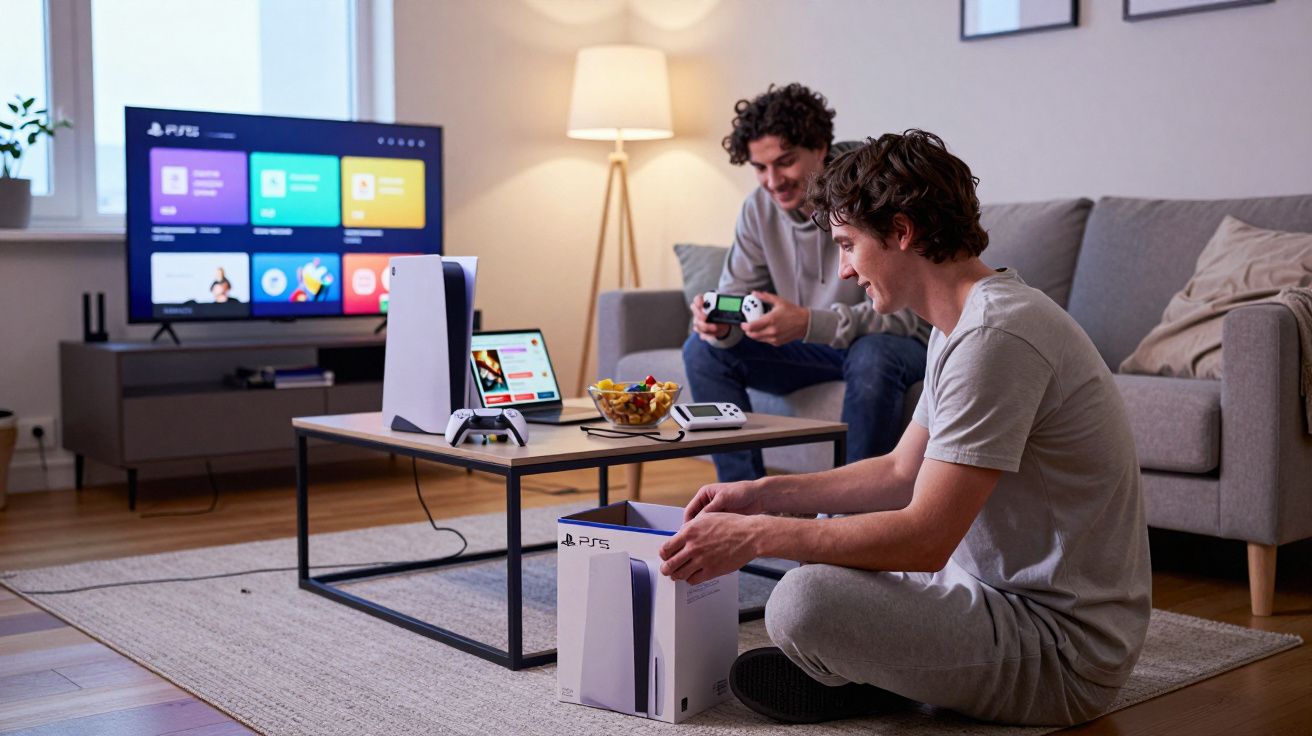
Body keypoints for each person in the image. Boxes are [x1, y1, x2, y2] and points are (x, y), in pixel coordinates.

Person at [659, 130, 1151, 727]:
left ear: (901, 231)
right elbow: (899, 472)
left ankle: (876, 676)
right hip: (980, 590)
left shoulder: (996, 336)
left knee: (801, 601)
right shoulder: (959, 325)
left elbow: (925, 538)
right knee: (830, 553)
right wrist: (760, 495)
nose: (844, 271)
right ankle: (889, 673)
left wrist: (756, 536)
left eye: (848, 245)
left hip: (1059, 652)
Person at [683, 83, 929, 482]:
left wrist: (810, 323)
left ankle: (854, 509)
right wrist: (722, 326)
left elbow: (911, 316)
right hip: (814, 348)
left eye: (785, 162)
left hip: (894, 342)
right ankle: (743, 502)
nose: (772, 181)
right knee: (702, 349)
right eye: (760, 168)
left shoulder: (872, 190)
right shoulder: (758, 209)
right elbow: (735, 296)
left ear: (819, 147)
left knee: (873, 355)